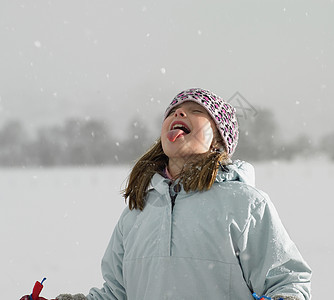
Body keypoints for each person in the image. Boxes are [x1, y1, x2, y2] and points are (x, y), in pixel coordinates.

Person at [20, 88, 312, 300]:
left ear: (219, 142)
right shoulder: (137, 212)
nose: (180, 112)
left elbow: (287, 282)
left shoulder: (245, 204)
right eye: (174, 111)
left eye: (197, 111)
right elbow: (116, 293)